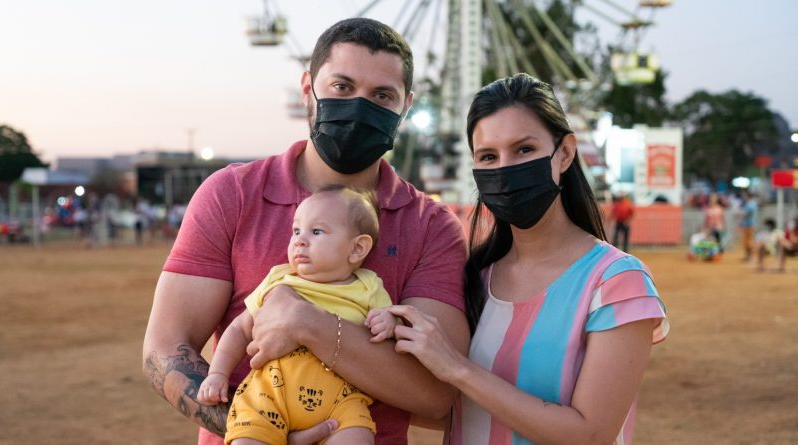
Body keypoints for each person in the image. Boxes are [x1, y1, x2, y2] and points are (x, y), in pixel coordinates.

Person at [142, 17, 469, 445]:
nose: (359, 108)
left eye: (381, 96)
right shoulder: (232, 194)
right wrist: (259, 428)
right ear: (307, 88)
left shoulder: (431, 227)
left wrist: (309, 324)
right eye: (342, 87)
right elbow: (165, 349)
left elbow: (436, 394)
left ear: (405, 106)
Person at [383, 74, 669, 444]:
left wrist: (456, 368)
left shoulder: (617, 282)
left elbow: (591, 434)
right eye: (488, 156)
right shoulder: (473, 277)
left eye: (524, 150)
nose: (505, 169)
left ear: (564, 153)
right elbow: (451, 412)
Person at [198, 186, 398, 445]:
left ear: (358, 248)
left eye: (317, 232)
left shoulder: (368, 288)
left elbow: (390, 332)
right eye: (296, 231)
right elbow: (240, 328)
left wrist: (389, 323)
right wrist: (217, 374)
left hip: (340, 403)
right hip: (267, 396)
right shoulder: (278, 279)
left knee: (357, 437)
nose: (299, 240)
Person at [738, 191, 758, 261]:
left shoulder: (750, 204)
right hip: (749, 225)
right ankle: (748, 256)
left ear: (748, 196)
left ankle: (751, 256)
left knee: (749, 241)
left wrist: (740, 218)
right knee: (747, 241)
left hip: (749, 225)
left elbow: (747, 214)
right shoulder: (752, 204)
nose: (744, 198)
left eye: (745, 196)